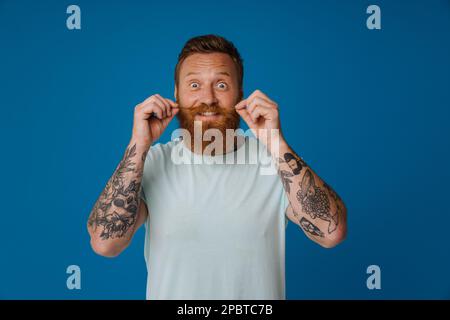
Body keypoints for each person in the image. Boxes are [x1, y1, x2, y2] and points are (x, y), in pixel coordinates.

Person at [87, 34, 347, 300]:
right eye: (195, 85)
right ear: (176, 93)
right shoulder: (151, 162)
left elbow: (331, 232)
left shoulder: (273, 163)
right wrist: (138, 144)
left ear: (240, 94)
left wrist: (276, 142)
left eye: (221, 85)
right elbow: (105, 244)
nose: (208, 98)